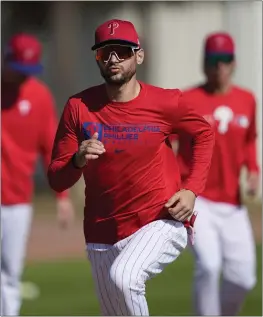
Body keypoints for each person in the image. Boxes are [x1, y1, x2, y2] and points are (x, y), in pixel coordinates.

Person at [47, 19, 214, 316]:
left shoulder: (166, 102)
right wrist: (77, 160)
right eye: (105, 52)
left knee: (125, 278)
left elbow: (204, 133)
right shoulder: (78, 107)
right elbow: (57, 179)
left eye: (122, 51)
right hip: (102, 232)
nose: (113, 59)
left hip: (160, 221)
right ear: (97, 57)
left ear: (139, 55)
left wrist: (191, 190)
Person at [176, 32, 260, 316]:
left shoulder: (247, 99)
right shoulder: (187, 100)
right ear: (204, 63)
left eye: (225, 60)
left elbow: (249, 140)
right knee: (209, 266)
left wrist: (253, 171)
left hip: (232, 204)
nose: (219, 67)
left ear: (233, 62)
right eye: (214, 60)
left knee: (243, 279)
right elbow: (166, 142)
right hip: (198, 200)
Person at [1, 33, 75, 316]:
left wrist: (63, 196)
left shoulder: (39, 96)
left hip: (19, 200)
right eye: (19, 70)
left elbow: (50, 148)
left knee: (10, 272)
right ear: (7, 60)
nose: (23, 78)